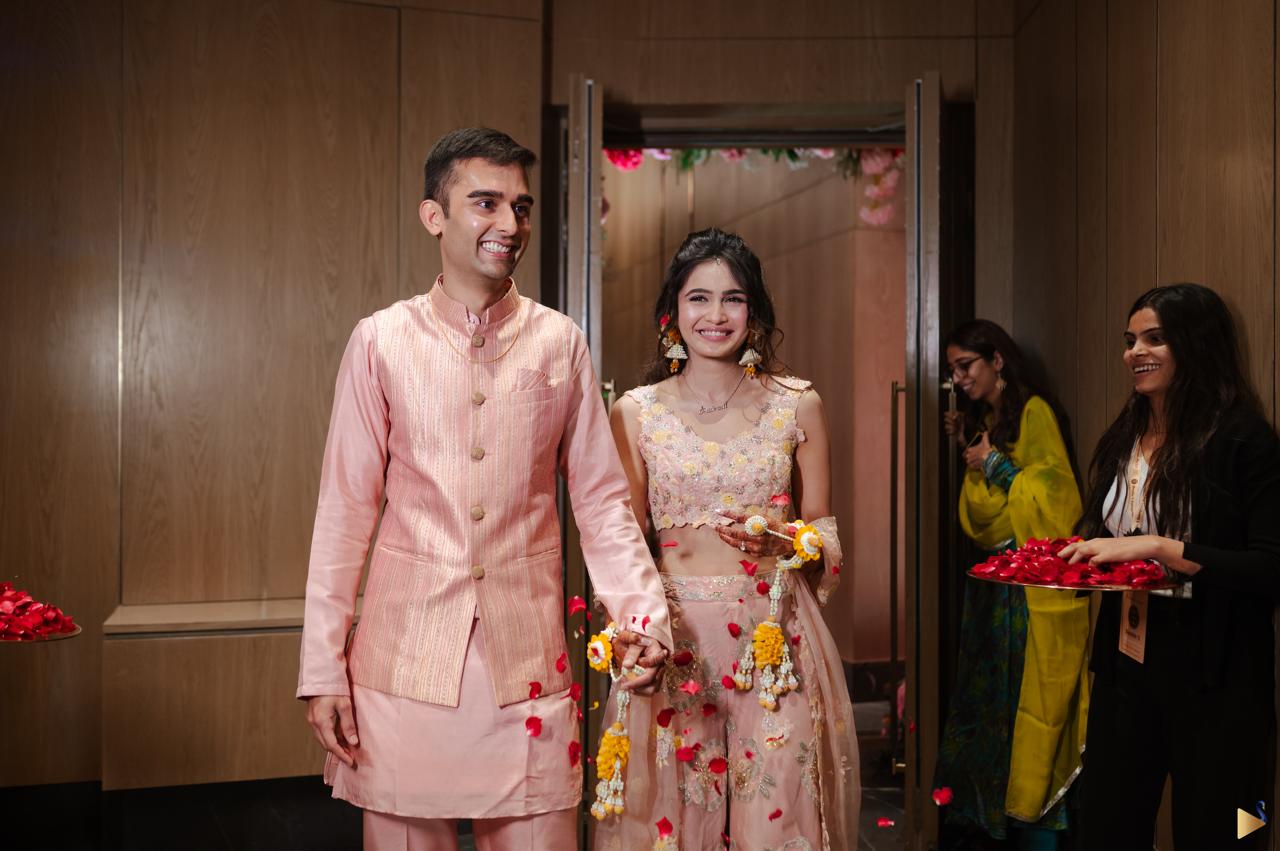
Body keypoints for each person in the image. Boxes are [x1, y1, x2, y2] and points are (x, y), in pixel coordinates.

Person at [296, 127, 673, 851]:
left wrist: (641, 618)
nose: (510, 223)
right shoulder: (380, 341)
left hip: (524, 663)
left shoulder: (559, 342)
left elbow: (601, 503)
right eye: (486, 203)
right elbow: (344, 513)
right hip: (403, 665)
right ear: (433, 216)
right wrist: (322, 670)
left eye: (521, 207)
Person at [591, 228, 858, 851]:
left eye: (733, 298)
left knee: (777, 815)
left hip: (773, 643)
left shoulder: (797, 404)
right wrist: (629, 630)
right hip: (675, 638)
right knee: (676, 822)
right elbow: (626, 542)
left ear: (754, 310)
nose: (715, 315)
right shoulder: (636, 411)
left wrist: (785, 541)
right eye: (699, 298)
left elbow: (823, 531)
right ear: (673, 310)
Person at [1061, 284, 1280, 849]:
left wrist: (1157, 548)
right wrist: (1073, 561)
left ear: (1195, 343)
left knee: (1231, 831)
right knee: (1106, 826)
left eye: (1154, 338)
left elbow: (1269, 568)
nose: (1135, 352)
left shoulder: (1244, 438)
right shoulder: (1124, 434)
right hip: (1126, 660)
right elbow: (1104, 534)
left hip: (1217, 673)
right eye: (1130, 340)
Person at [934, 320, 1089, 850]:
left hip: (1026, 589)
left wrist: (992, 462)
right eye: (953, 369)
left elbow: (1056, 498)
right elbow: (989, 507)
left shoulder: (1034, 412)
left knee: (1020, 697)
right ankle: (991, 818)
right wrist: (973, 447)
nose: (958, 378)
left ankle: (1030, 821)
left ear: (997, 360)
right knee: (990, 701)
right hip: (993, 586)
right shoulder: (988, 418)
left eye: (965, 366)